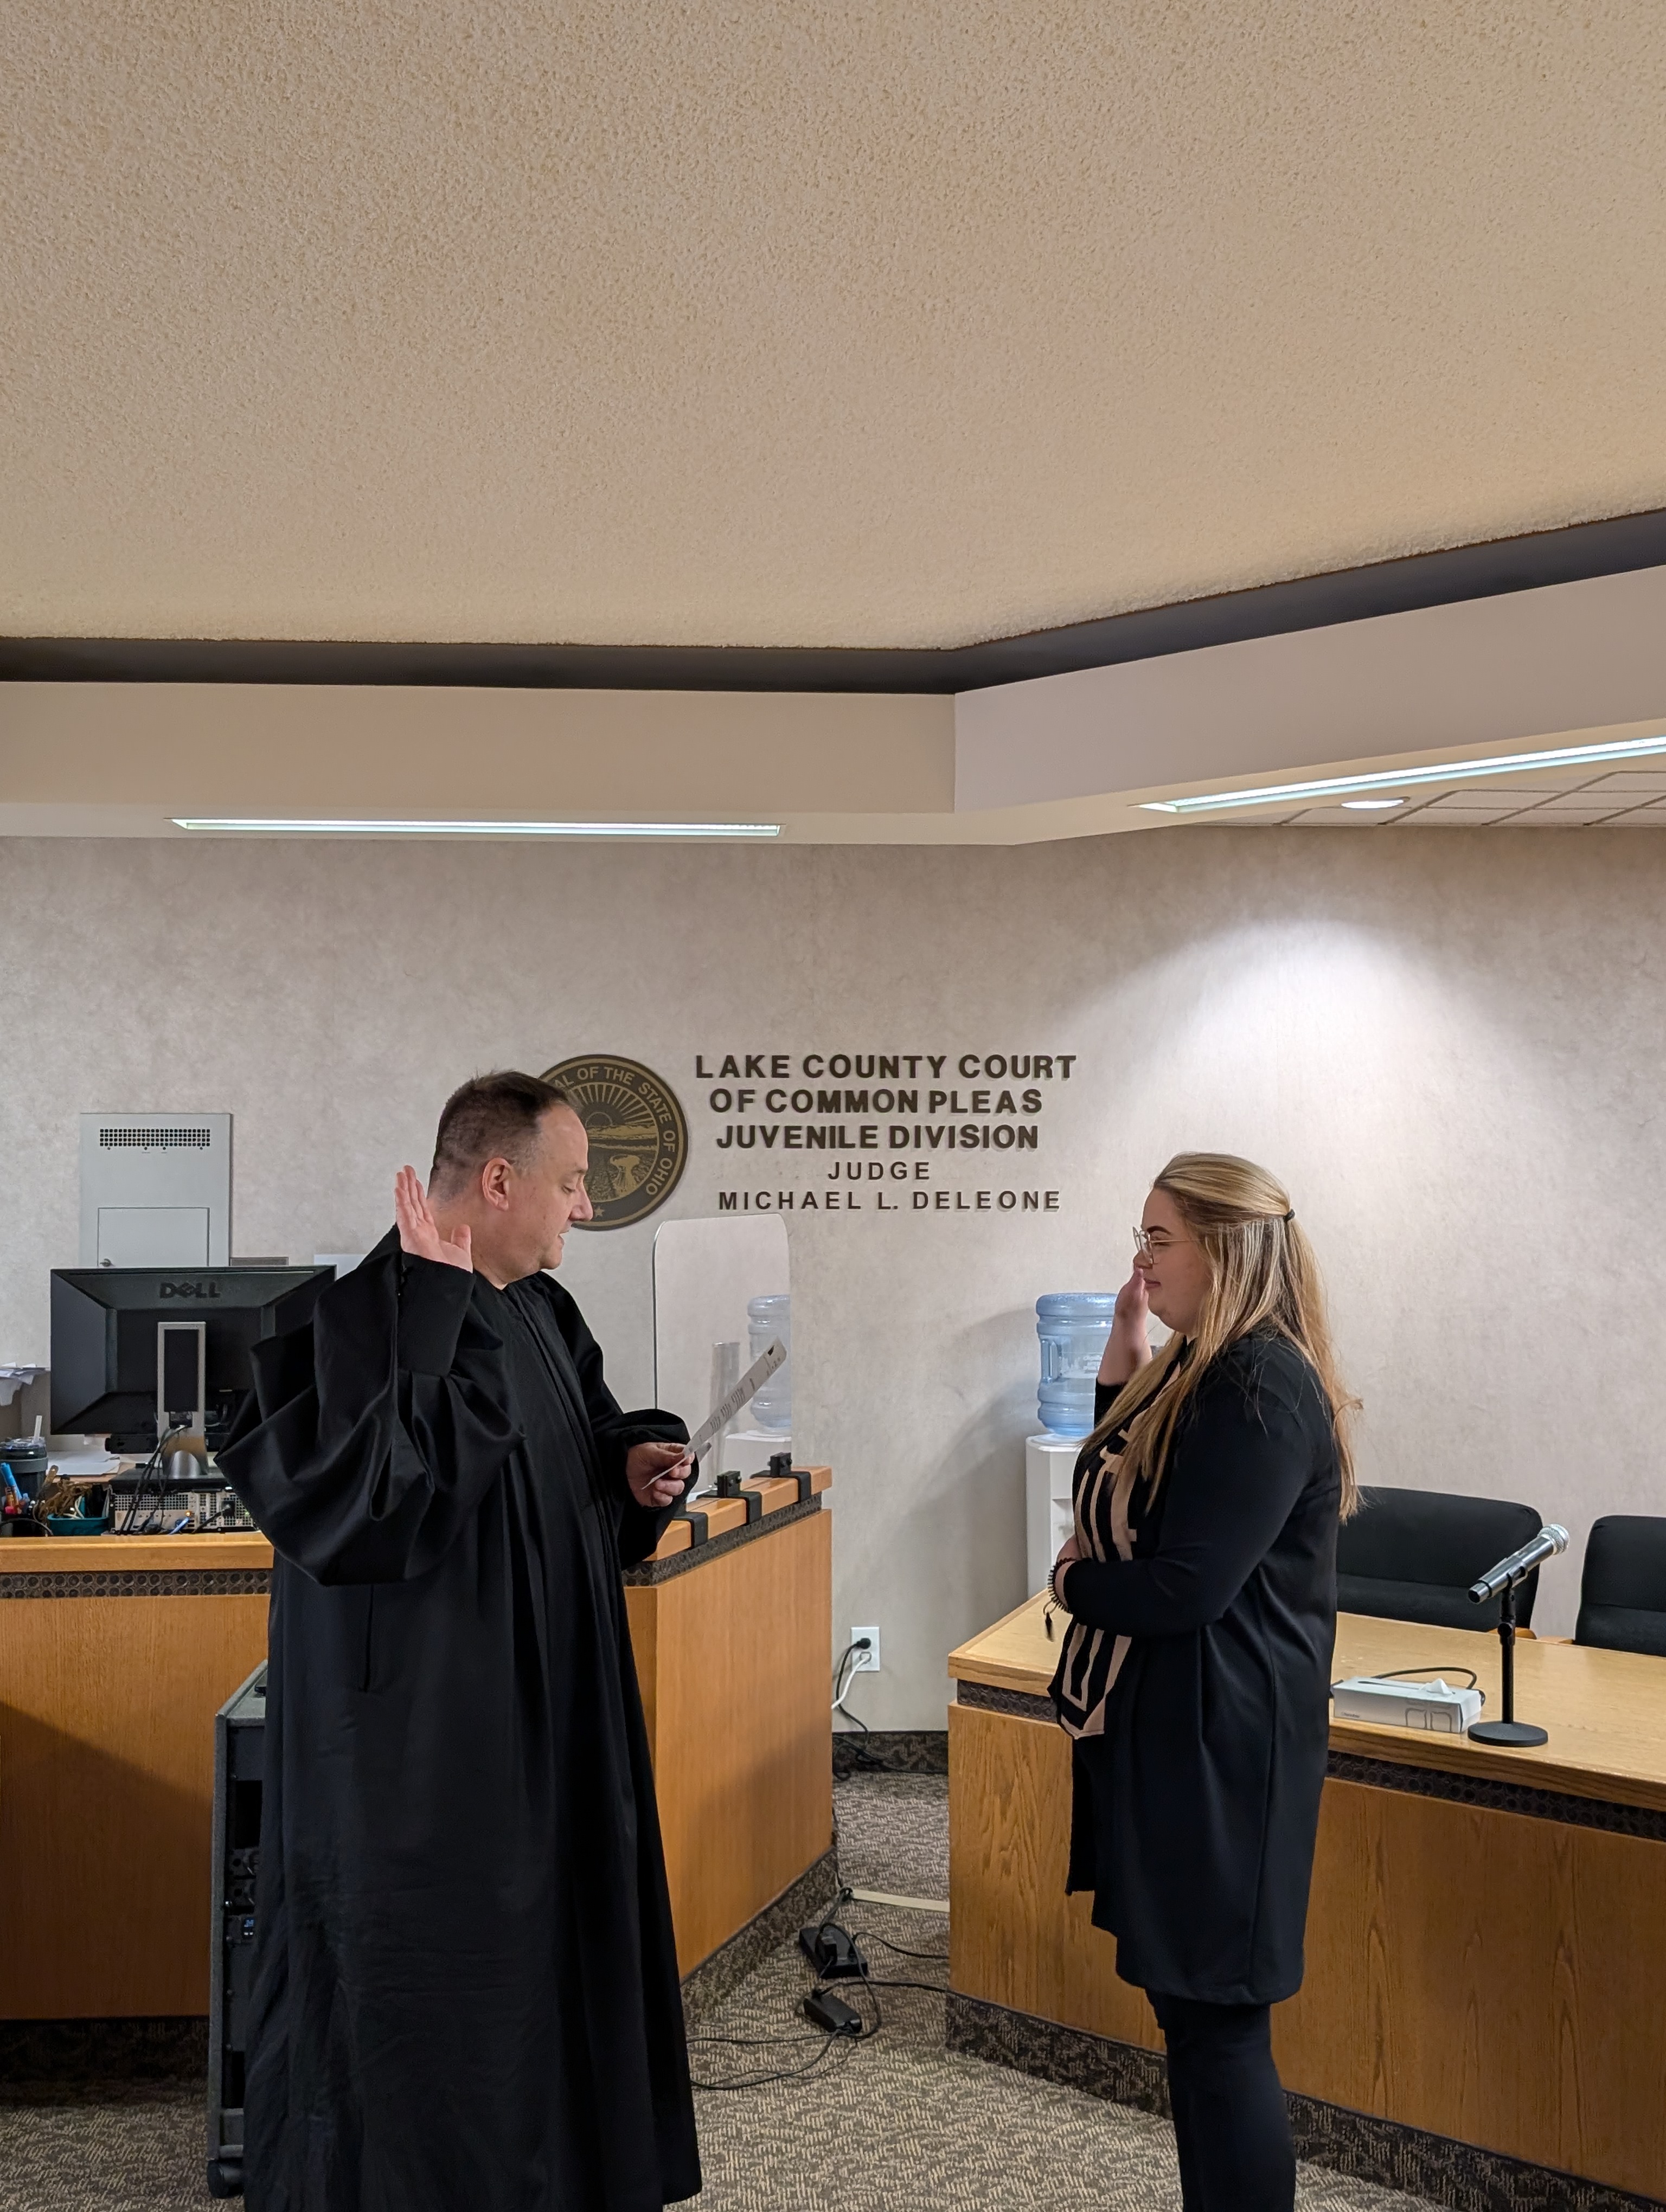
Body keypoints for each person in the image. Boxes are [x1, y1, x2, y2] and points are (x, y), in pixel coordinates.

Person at [221, 1071, 701, 2212]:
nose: (582, 1209)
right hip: (431, 1770)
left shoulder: (542, 1310)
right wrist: (435, 1307)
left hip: (557, 1727)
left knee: (554, 1978)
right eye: (573, 1184)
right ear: (499, 1180)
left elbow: (569, 1447)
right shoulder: (360, 1321)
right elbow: (378, 1507)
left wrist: (628, 1471)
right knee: (446, 2022)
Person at [1047, 1152, 1357, 2212]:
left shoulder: (1261, 1384)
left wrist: (1074, 1584)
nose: (1139, 1261)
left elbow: (1182, 1586)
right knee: (1193, 2017)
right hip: (1183, 1733)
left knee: (1221, 2033)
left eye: (1159, 1238)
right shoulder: (1201, 1364)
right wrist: (1123, 1356)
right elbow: (1124, 1471)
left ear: (1224, 1247)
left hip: (1228, 1751)